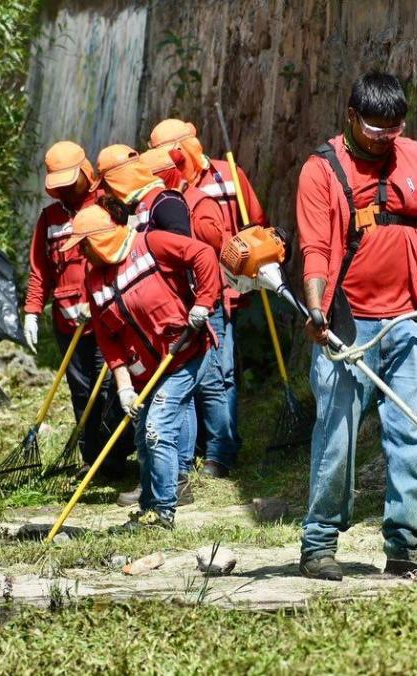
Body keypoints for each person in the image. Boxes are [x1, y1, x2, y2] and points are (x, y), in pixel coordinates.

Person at [294, 72, 417, 580]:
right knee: (337, 438)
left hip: (410, 321)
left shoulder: (415, 155)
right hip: (348, 325)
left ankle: (406, 546)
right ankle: (319, 544)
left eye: (395, 127)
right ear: (350, 117)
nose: (386, 137)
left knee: (411, 437)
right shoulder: (321, 172)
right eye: (374, 128)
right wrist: (317, 308)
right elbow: (316, 247)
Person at [60, 162, 221, 527]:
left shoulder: (150, 244)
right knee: (144, 437)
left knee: (157, 429)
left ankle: (163, 512)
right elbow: (108, 337)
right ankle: (149, 508)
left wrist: (203, 304)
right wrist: (124, 388)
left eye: (83, 246)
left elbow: (204, 255)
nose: (81, 255)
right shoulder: (95, 280)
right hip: (145, 371)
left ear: (99, 239)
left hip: (184, 355)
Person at [147, 119, 271, 477]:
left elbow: (255, 222)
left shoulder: (227, 176)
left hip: (223, 286)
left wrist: (248, 260)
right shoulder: (168, 191)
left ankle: (221, 449)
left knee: (220, 371)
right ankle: (200, 447)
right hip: (185, 292)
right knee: (197, 369)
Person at [139, 145, 234, 485]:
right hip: (187, 304)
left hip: (202, 303)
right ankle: (183, 462)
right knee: (188, 389)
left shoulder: (194, 202)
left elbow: (210, 248)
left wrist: (206, 300)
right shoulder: (162, 204)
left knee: (214, 381)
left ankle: (217, 456)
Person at [23, 141, 115, 476]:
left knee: (110, 388)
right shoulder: (49, 218)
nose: (63, 189)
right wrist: (32, 311)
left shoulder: (108, 204)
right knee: (81, 390)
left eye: (69, 181)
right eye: (57, 183)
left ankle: (113, 457)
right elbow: (40, 270)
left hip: (106, 318)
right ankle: (91, 459)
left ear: (85, 173)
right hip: (66, 320)